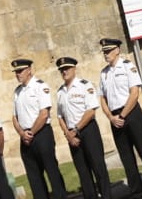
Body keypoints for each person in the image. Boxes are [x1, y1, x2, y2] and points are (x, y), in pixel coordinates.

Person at [99, 37, 142, 198]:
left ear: (117, 50)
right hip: (115, 117)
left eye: (108, 51)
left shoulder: (128, 66)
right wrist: (111, 117)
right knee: (126, 156)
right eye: (104, 52)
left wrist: (122, 115)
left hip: (131, 113)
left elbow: (134, 93)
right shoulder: (104, 73)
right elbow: (102, 98)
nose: (106, 54)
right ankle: (136, 191)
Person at [54, 58, 111, 199]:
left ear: (74, 68)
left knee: (98, 168)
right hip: (72, 135)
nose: (64, 71)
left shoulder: (85, 86)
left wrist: (76, 130)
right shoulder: (60, 92)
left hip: (88, 130)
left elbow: (91, 111)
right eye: (61, 69)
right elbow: (60, 116)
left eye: (67, 68)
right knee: (83, 171)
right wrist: (68, 134)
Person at [11, 58, 66, 199]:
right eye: (16, 72)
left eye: (20, 71)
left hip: (41, 134)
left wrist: (30, 132)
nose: (18, 74)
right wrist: (22, 134)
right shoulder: (17, 92)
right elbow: (14, 118)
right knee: (34, 176)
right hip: (25, 137)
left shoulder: (40, 86)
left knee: (51, 170)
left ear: (29, 70)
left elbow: (44, 114)